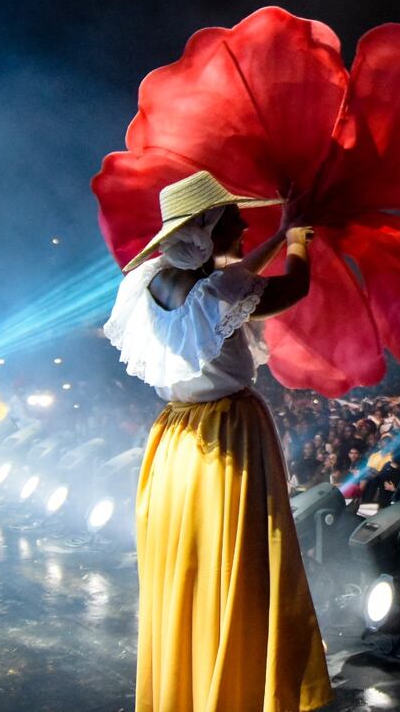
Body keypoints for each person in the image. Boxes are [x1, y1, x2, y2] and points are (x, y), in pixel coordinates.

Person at [105, 171, 331, 711]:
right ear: (205, 230)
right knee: (242, 561)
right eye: (233, 219)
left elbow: (220, 293)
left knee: (190, 568)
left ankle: (190, 684)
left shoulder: (153, 279)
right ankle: (235, 685)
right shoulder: (217, 290)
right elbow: (289, 288)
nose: (244, 224)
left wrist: (278, 236)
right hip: (227, 439)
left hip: (178, 443)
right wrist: (299, 238)